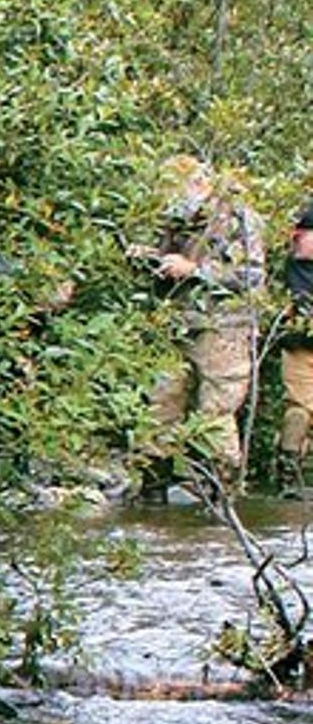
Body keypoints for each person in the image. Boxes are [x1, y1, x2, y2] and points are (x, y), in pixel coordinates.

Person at [129, 156, 267, 484]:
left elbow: (252, 276)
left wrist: (195, 270)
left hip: (223, 330)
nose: (168, 200)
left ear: (199, 184)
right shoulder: (177, 219)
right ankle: (153, 493)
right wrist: (148, 258)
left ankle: (222, 500)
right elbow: (168, 260)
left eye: (173, 191)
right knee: (160, 404)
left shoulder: (239, 217)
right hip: (177, 322)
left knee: (216, 413)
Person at [279, 203, 313, 491]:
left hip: (298, 338)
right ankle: (290, 476)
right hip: (299, 342)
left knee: (299, 407)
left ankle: (290, 478)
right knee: (299, 408)